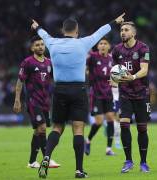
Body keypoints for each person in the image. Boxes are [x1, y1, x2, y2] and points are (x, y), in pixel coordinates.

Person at [31, 13, 125, 178]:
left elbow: (42, 32)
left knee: (57, 128)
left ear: (63, 30)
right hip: (78, 90)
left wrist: (36, 26)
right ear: (77, 31)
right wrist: (115, 22)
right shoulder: (83, 43)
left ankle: (46, 158)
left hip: (59, 90)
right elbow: (100, 32)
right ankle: (79, 170)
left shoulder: (52, 42)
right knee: (78, 129)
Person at [13, 35, 60, 169]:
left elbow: (55, 80)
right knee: (42, 128)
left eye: (42, 44)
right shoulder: (27, 62)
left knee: (37, 132)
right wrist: (17, 99)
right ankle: (47, 158)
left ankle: (32, 162)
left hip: (46, 102)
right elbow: (20, 81)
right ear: (32, 47)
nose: (40, 47)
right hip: (33, 101)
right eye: (37, 45)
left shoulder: (49, 62)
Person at [111, 21, 151, 173]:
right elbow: (114, 71)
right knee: (124, 124)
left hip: (142, 93)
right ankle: (128, 161)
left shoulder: (143, 48)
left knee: (142, 129)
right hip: (125, 94)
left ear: (133, 33)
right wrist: (113, 80)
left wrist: (133, 77)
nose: (123, 32)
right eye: (121, 29)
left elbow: (144, 70)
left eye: (126, 30)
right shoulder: (116, 50)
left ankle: (143, 162)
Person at [85, 37, 116, 156]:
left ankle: (108, 148)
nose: (103, 45)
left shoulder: (112, 59)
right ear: (97, 47)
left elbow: (115, 73)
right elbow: (85, 67)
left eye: (105, 43)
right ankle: (88, 141)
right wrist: (87, 72)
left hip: (108, 93)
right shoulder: (92, 57)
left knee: (110, 118)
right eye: (101, 43)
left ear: (109, 47)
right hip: (96, 93)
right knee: (98, 121)